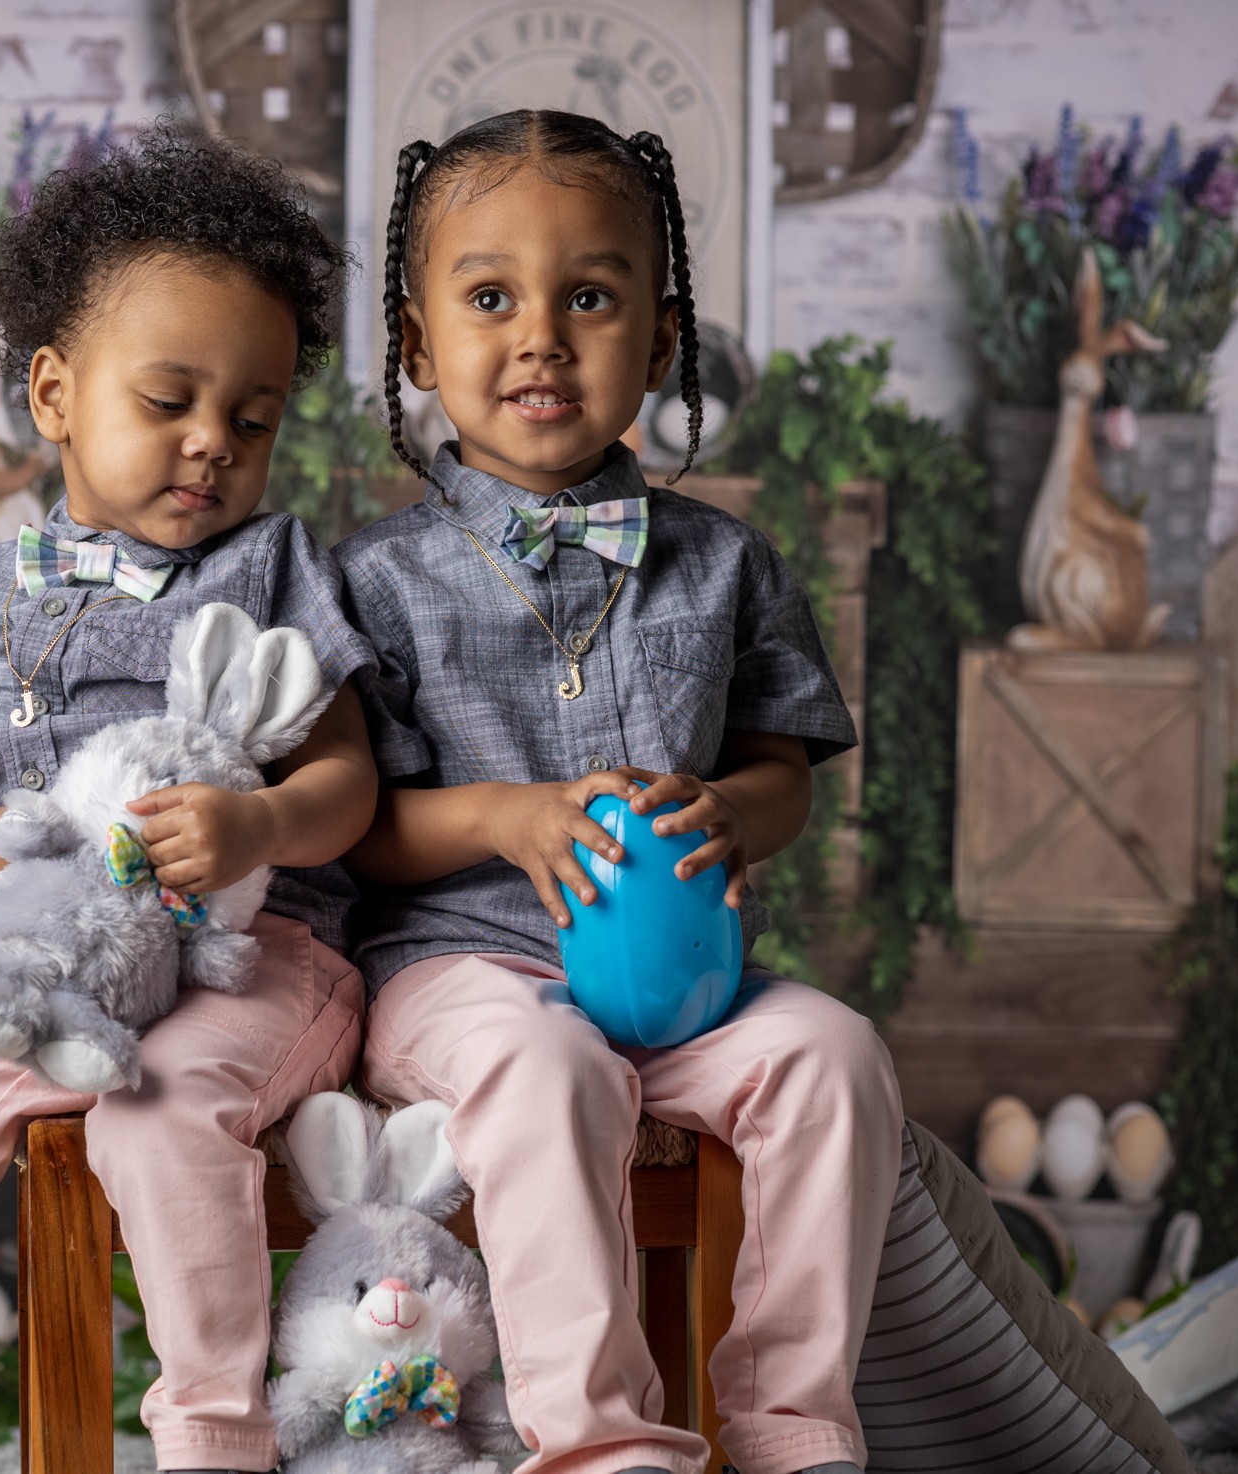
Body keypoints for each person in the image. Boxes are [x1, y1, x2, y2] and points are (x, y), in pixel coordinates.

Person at [335, 109, 904, 1474]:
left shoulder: (724, 562)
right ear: (418, 346)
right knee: (549, 1065)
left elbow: (783, 769)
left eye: (588, 297)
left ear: (656, 343)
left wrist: (740, 812)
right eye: (490, 298)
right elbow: (355, 825)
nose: (540, 335)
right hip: (465, 979)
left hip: (684, 986)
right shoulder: (376, 580)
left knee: (834, 1058)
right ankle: (600, 1442)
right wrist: (503, 817)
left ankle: (789, 1423)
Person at [0, 123, 376, 1474]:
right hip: (55, 965)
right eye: (170, 401)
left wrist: (257, 823)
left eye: (250, 419)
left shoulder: (276, 569)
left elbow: (348, 773)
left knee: (162, 1110)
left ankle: (210, 1436)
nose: (211, 445)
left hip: (260, 962)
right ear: (55, 394)